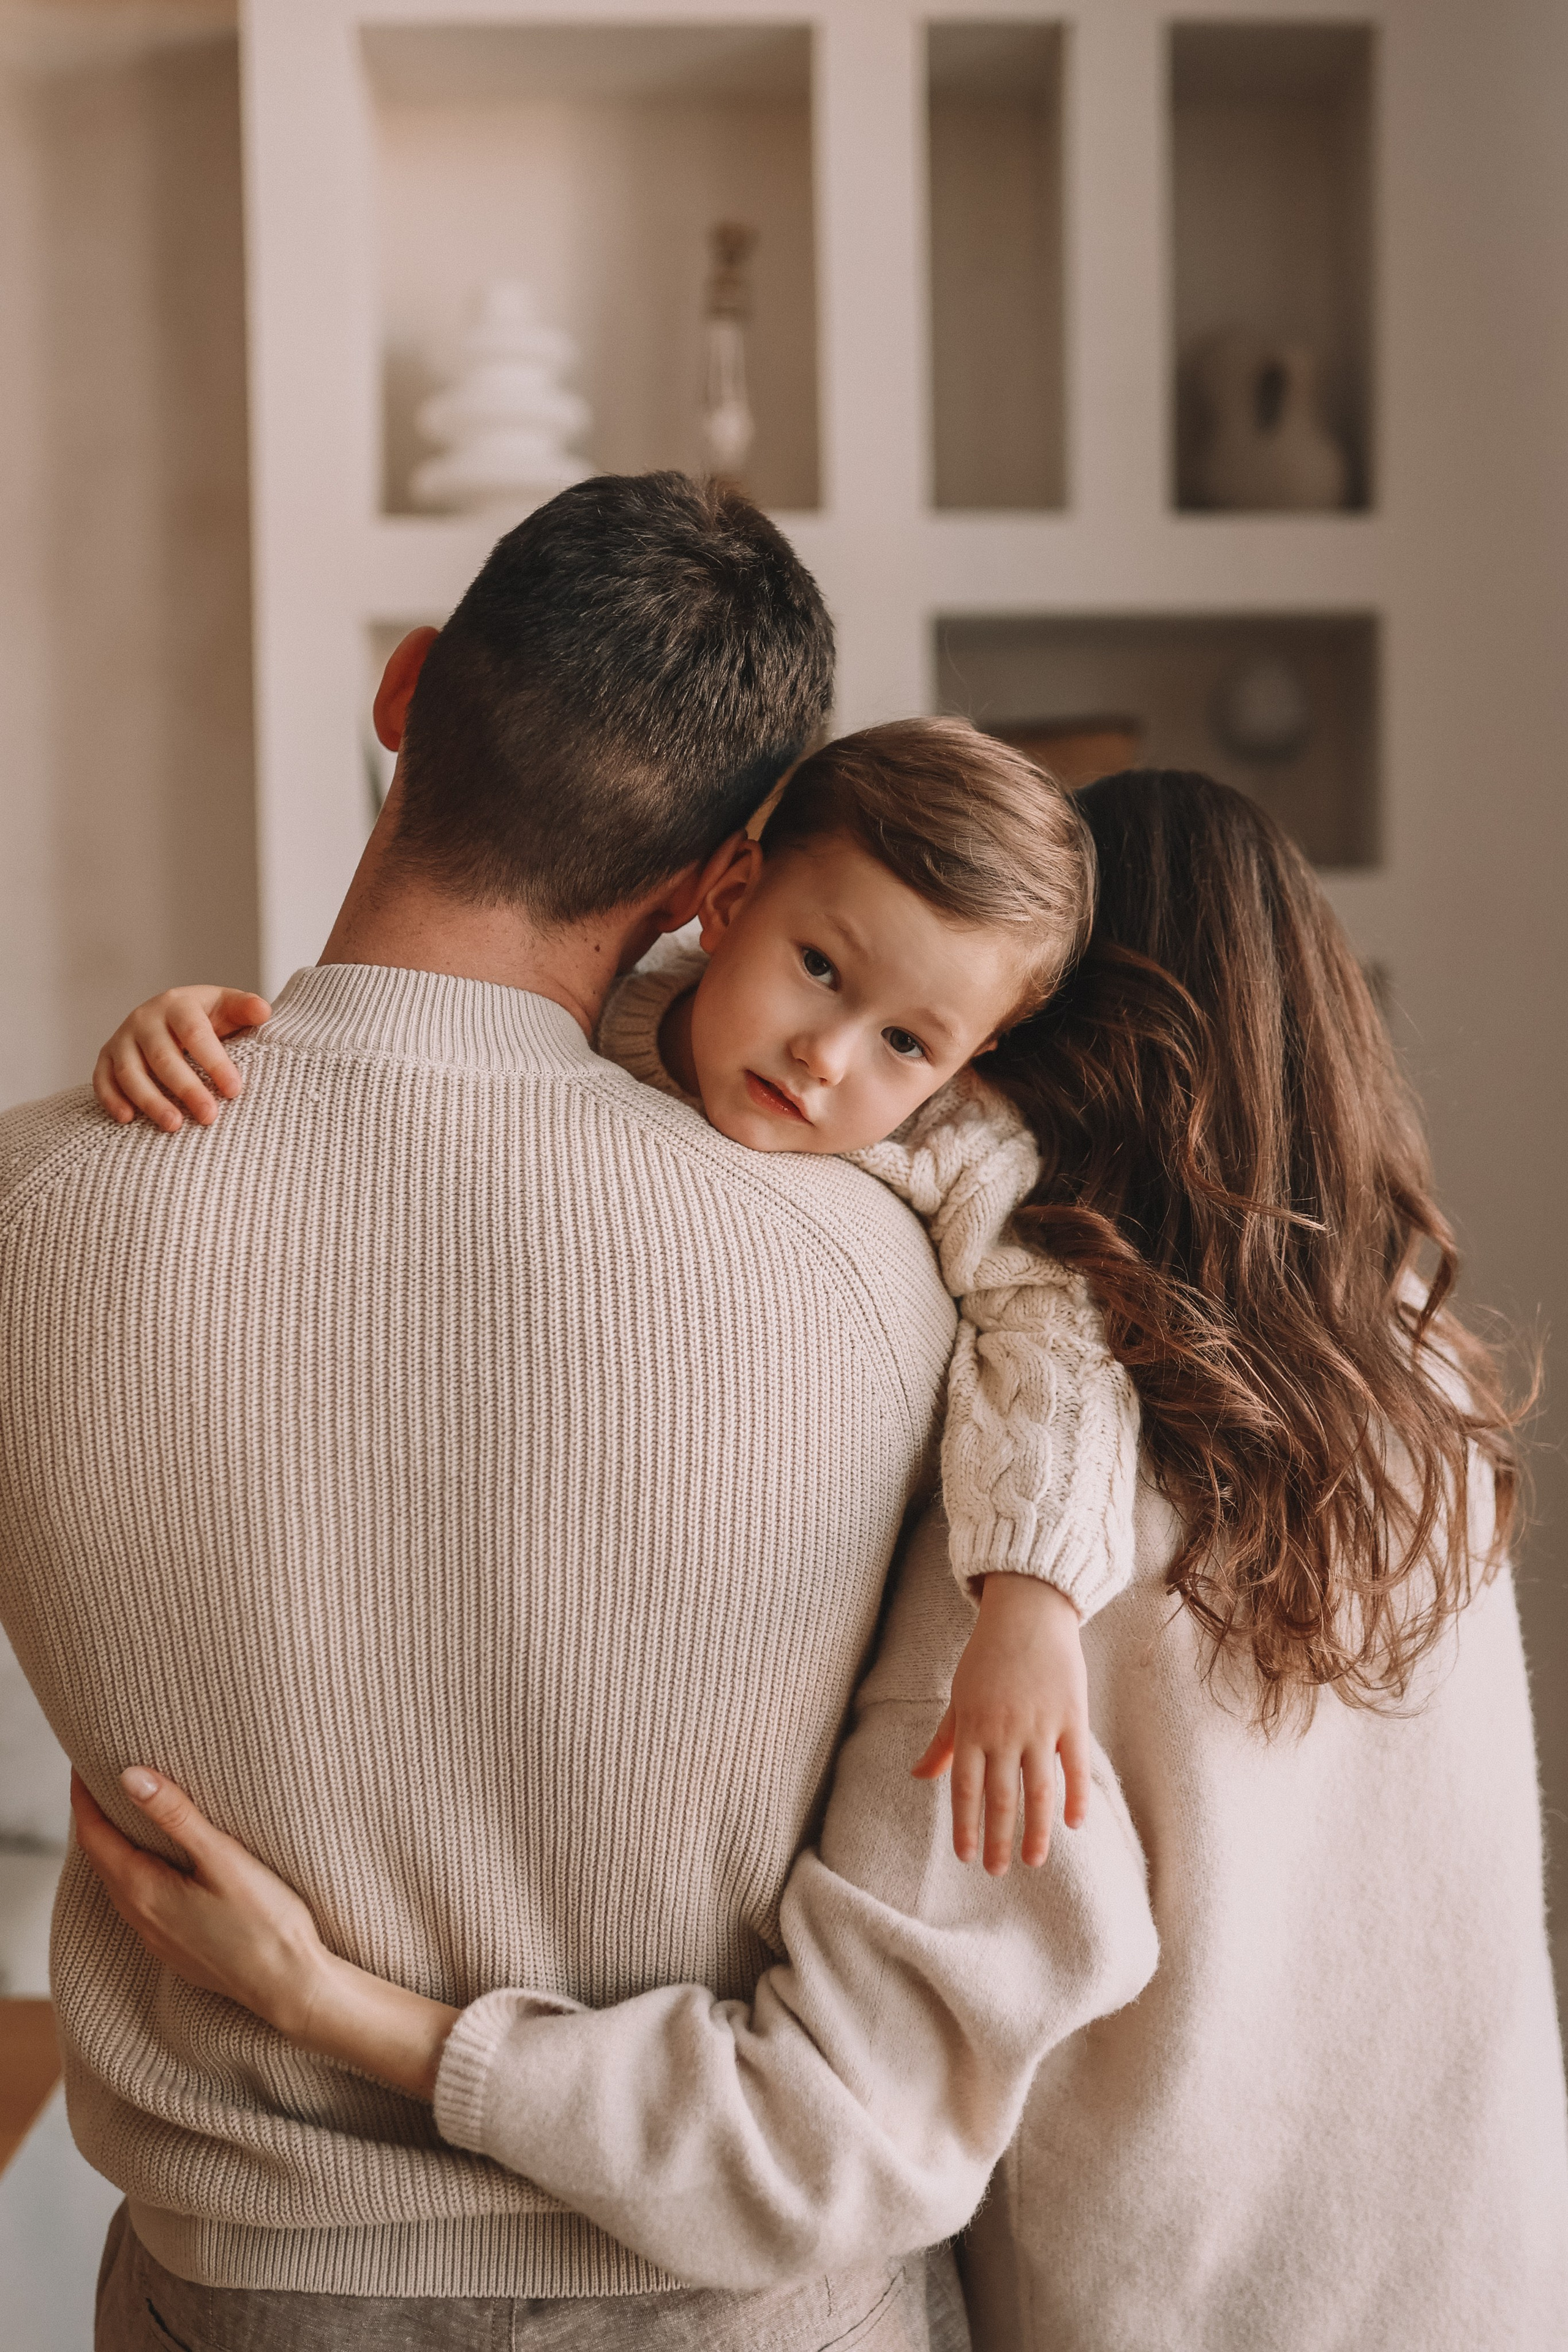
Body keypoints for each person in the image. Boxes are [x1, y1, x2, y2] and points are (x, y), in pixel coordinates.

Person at [77, 773, 1568, 2348]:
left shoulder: (1045, 1514)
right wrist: (249, 1036)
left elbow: (827, 2134)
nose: (844, 1064)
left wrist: (328, 2007)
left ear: (1016, 1065)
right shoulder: (1418, 1386)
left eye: (923, 1045)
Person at [0, 473, 1153, 2352]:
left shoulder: (36, 1201)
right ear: (723, 877)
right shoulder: (889, 1288)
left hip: (244, 2304)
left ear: (408, 692)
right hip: (749, 2301)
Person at [96, 717, 1146, 1874]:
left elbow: (1057, 1337)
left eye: (906, 1040)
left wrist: (1032, 1605)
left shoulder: (962, 1146)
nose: (828, 1058)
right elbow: (406, 1049)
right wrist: (201, 1023)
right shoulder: (594, 1012)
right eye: (819, 969)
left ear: (971, 1060)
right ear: (734, 896)